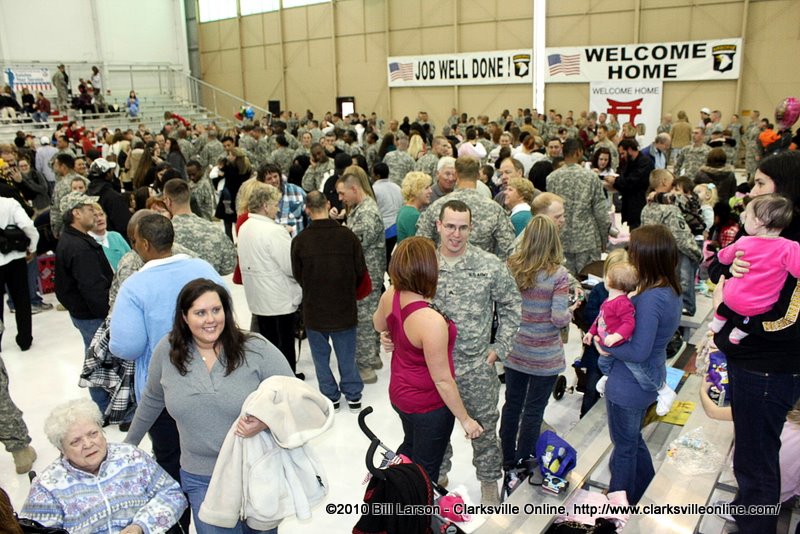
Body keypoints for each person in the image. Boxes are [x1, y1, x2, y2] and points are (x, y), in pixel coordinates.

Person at [124, 279, 292, 533]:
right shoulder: (167, 351)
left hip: (255, 471)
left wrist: (266, 421)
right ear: (184, 317)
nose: (210, 319)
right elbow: (152, 399)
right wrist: (128, 446)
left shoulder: (255, 348)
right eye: (200, 313)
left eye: (216, 310)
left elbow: (294, 396)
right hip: (201, 477)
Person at [708, 151, 800, 533]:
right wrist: (729, 267)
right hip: (748, 358)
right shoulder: (762, 230)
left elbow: (787, 319)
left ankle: (755, 525)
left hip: (768, 367)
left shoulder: (791, 246)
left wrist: (737, 320)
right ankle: (746, 512)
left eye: (761, 183)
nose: (752, 191)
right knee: (749, 452)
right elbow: (717, 265)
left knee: (759, 461)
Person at [425, 200, 521, 504]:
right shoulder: (425, 264)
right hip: (432, 368)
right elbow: (403, 303)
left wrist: (500, 347)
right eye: (450, 227)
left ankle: (489, 481)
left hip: (475, 367)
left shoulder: (489, 265)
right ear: (438, 226)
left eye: (463, 227)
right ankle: (438, 476)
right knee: (434, 428)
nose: (456, 234)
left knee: (484, 428)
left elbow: (512, 305)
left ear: (471, 228)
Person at [372, 237, 483, 482]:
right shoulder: (430, 321)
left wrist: (388, 334)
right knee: (425, 471)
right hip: (428, 405)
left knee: (411, 446)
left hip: (400, 394)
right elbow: (442, 380)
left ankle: (396, 487)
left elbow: (378, 323)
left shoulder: (391, 295)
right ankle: (414, 501)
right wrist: (465, 420)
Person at [594, 225, 682, 505]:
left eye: (633, 250)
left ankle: (618, 504)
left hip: (628, 385)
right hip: (646, 379)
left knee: (624, 446)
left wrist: (604, 345)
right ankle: (643, 487)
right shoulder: (669, 289)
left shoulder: (651, 298)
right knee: (632, 439)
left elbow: (638, 351)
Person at [21, 398, 187, 533]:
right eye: (75, 441)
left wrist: (140, 526)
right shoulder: (47, 486)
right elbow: (36, 531)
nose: (88, 444)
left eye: (93, 434)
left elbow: (172, 494)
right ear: (61, 449)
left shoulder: (131, 457)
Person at [501, 215, 573, 480]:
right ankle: (524, 462)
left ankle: (507, 458)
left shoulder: (511, 266)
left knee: (512, 405)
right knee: (533, 411)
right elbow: (558, 317)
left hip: (516, 350)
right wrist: (571, 311)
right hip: (545, 356)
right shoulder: (558, 274)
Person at [291, 191, 366, 412]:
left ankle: (330, 395)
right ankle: (353, 395)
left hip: (314, 308)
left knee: (320, 358)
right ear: (328, 204)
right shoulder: (347, 236)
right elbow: (360, 270)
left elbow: (298, 275)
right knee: (346, 355)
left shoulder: (300, 241)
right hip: (344, 306)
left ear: (307, 209)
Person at [589, 261, 677, 416]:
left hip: (618, 341)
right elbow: (600, 318)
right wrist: (591, 332)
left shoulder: (622, 303)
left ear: (610, 281)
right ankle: (607, 376)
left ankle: (663, 390)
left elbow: (629, 323)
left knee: (639, 370)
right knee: (603, 362)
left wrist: (616, 336)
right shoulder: (609, 300)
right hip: (608, 341)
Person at [710, 195, 800, 344]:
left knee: (726, 297)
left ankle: (717, 322)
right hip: (760, 305)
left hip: (731, 297)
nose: (743, 217)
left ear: (758, 222)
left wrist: (730, 264)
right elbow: (797, 271)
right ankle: (740, 332)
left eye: (747, 215)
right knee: (751, 318)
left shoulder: (744, 241)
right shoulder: (790, 247)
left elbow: (722, 257)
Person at [238, 182, 303, 375]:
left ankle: (274, 378)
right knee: (285, 347)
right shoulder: (274, 231)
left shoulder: (245, 227)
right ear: (265, 206)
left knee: (269, 345)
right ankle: (289, 379)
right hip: (279, 300)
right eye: (275, 205)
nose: (278, 209)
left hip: (258, 298)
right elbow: (290, 267)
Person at [337, 166, 386, 383]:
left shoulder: (366, 213)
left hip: (366, 276)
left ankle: (365, 367)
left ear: (354, 189)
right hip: (367, 274)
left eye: (342, 193)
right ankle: (372, 357)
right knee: (370, 316)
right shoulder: (361, 208)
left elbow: (353, 244)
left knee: (364, 320)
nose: (341, 198)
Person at [0, 195, 38, 352]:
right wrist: (32, 246)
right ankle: (25, 339)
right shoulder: (9, 203)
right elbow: (28, 225)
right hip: (15, 258)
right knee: (22, 299)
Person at [89, 203, 131, 271]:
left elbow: (133, 259)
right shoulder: (87, 243)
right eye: (94, 216)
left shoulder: (116, 236)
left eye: (101, 214)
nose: (99, 219)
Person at [396, 171, 432, 243]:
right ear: (416, 191)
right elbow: (417, 244)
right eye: (426, 188)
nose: (430, 191)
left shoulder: (405, 209)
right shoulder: (412, 215)